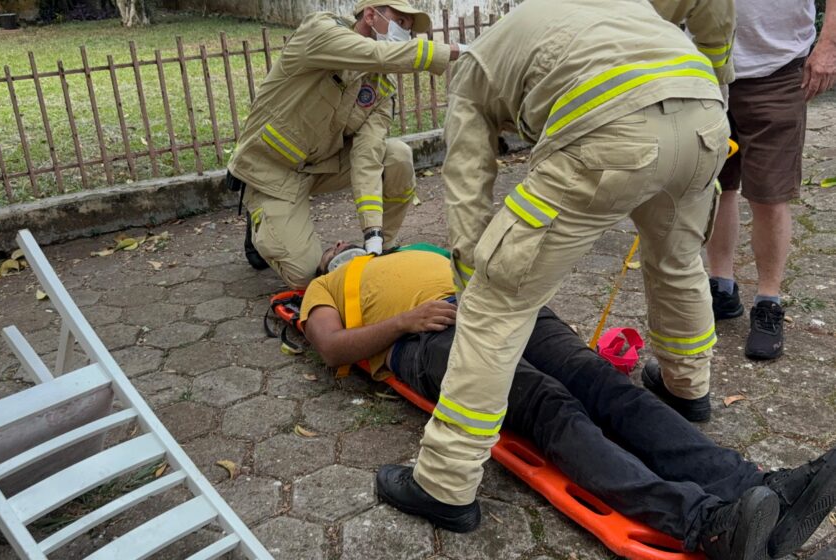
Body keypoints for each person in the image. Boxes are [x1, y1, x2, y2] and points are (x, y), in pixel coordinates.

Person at [376, 0, 737, 542]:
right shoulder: (606, 11)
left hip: (610, 127)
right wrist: (715, 90)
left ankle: (444, 484)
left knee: (497, 305)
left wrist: (477, 273)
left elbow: (469, 176)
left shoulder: (474, 68)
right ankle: (688, 388)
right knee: (678, 261)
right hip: (705, 114)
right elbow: (714, 17)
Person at [299, 244, 836, 560]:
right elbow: (329, 347)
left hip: (501, 304)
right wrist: (403, 322)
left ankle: (762, 490)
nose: (344, 246)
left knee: (603, 383)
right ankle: (706, 522)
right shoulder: (326, 285)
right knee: (545, 402)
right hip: (423, 337)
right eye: (334, 248)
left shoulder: (424, 251)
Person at [226, 0, 461, 289]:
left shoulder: (380, 88)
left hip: (322, 166)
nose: (404, 33)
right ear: (371, 16)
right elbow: (375, 53)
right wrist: (448, 52)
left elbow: (367, 156)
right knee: (306, 276)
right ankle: (260, 218)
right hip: (271, 174)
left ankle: (380, 252)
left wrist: (372, 231)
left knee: (397, 156)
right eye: (400, 23)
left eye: (408, 30)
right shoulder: (320, 32)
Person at [705, 0, 836, 360]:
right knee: (714, 188)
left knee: (769, 193)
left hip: (776, 68)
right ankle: (721, 287)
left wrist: (829, 46)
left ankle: (768, 301)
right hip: (704, 68)